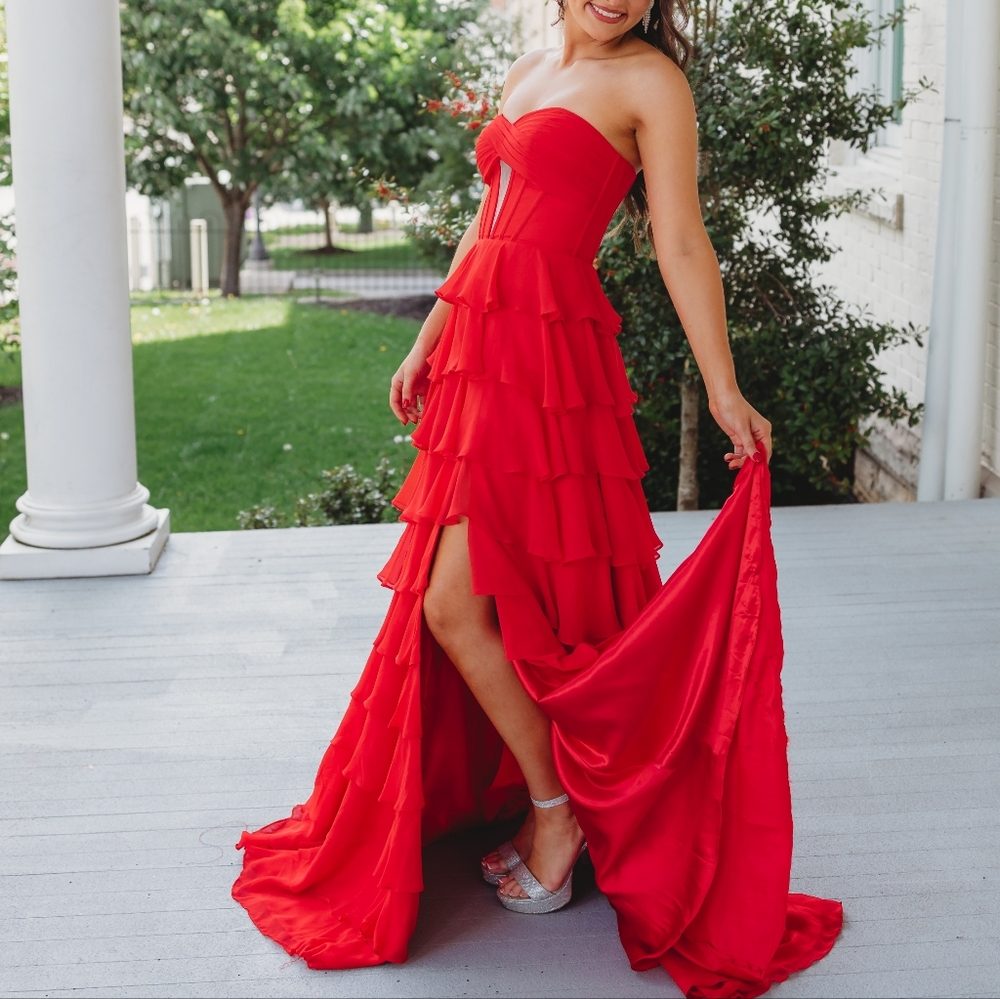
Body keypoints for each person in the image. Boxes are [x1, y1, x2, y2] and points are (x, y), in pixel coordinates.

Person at [233, 1, 844, 994]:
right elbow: (492, 217)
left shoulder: (651, 82)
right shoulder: (530, 64)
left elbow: (679, 242)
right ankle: (558, 800)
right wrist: (429, 336)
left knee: (452, 602)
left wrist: (725, 390)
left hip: (549, 359)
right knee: (468, 599)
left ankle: (559, 812)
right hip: (483, 352)